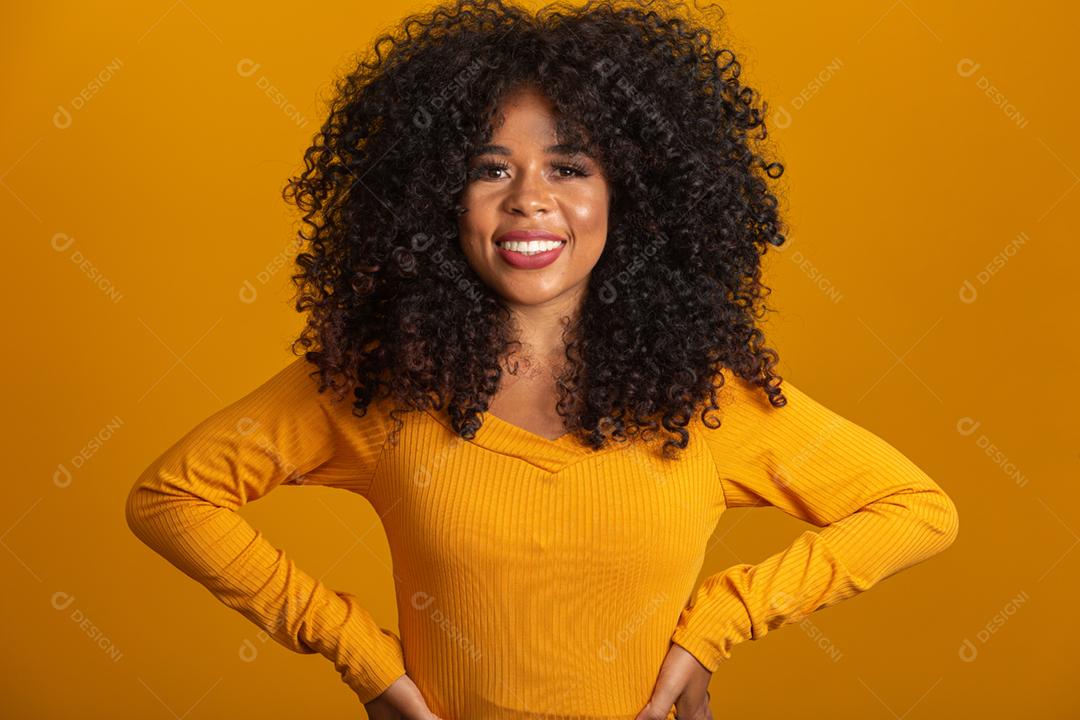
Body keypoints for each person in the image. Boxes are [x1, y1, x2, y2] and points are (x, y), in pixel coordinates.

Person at [124, 1, 960, 719]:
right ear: (438, 199)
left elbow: (915, 509)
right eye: (492, 169)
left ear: (627, 193)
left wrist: (717, 624)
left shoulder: (704, 397)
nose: (529, 196)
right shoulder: (381, 383)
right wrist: (364, 661)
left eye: (569, 166)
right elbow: (171, 497)